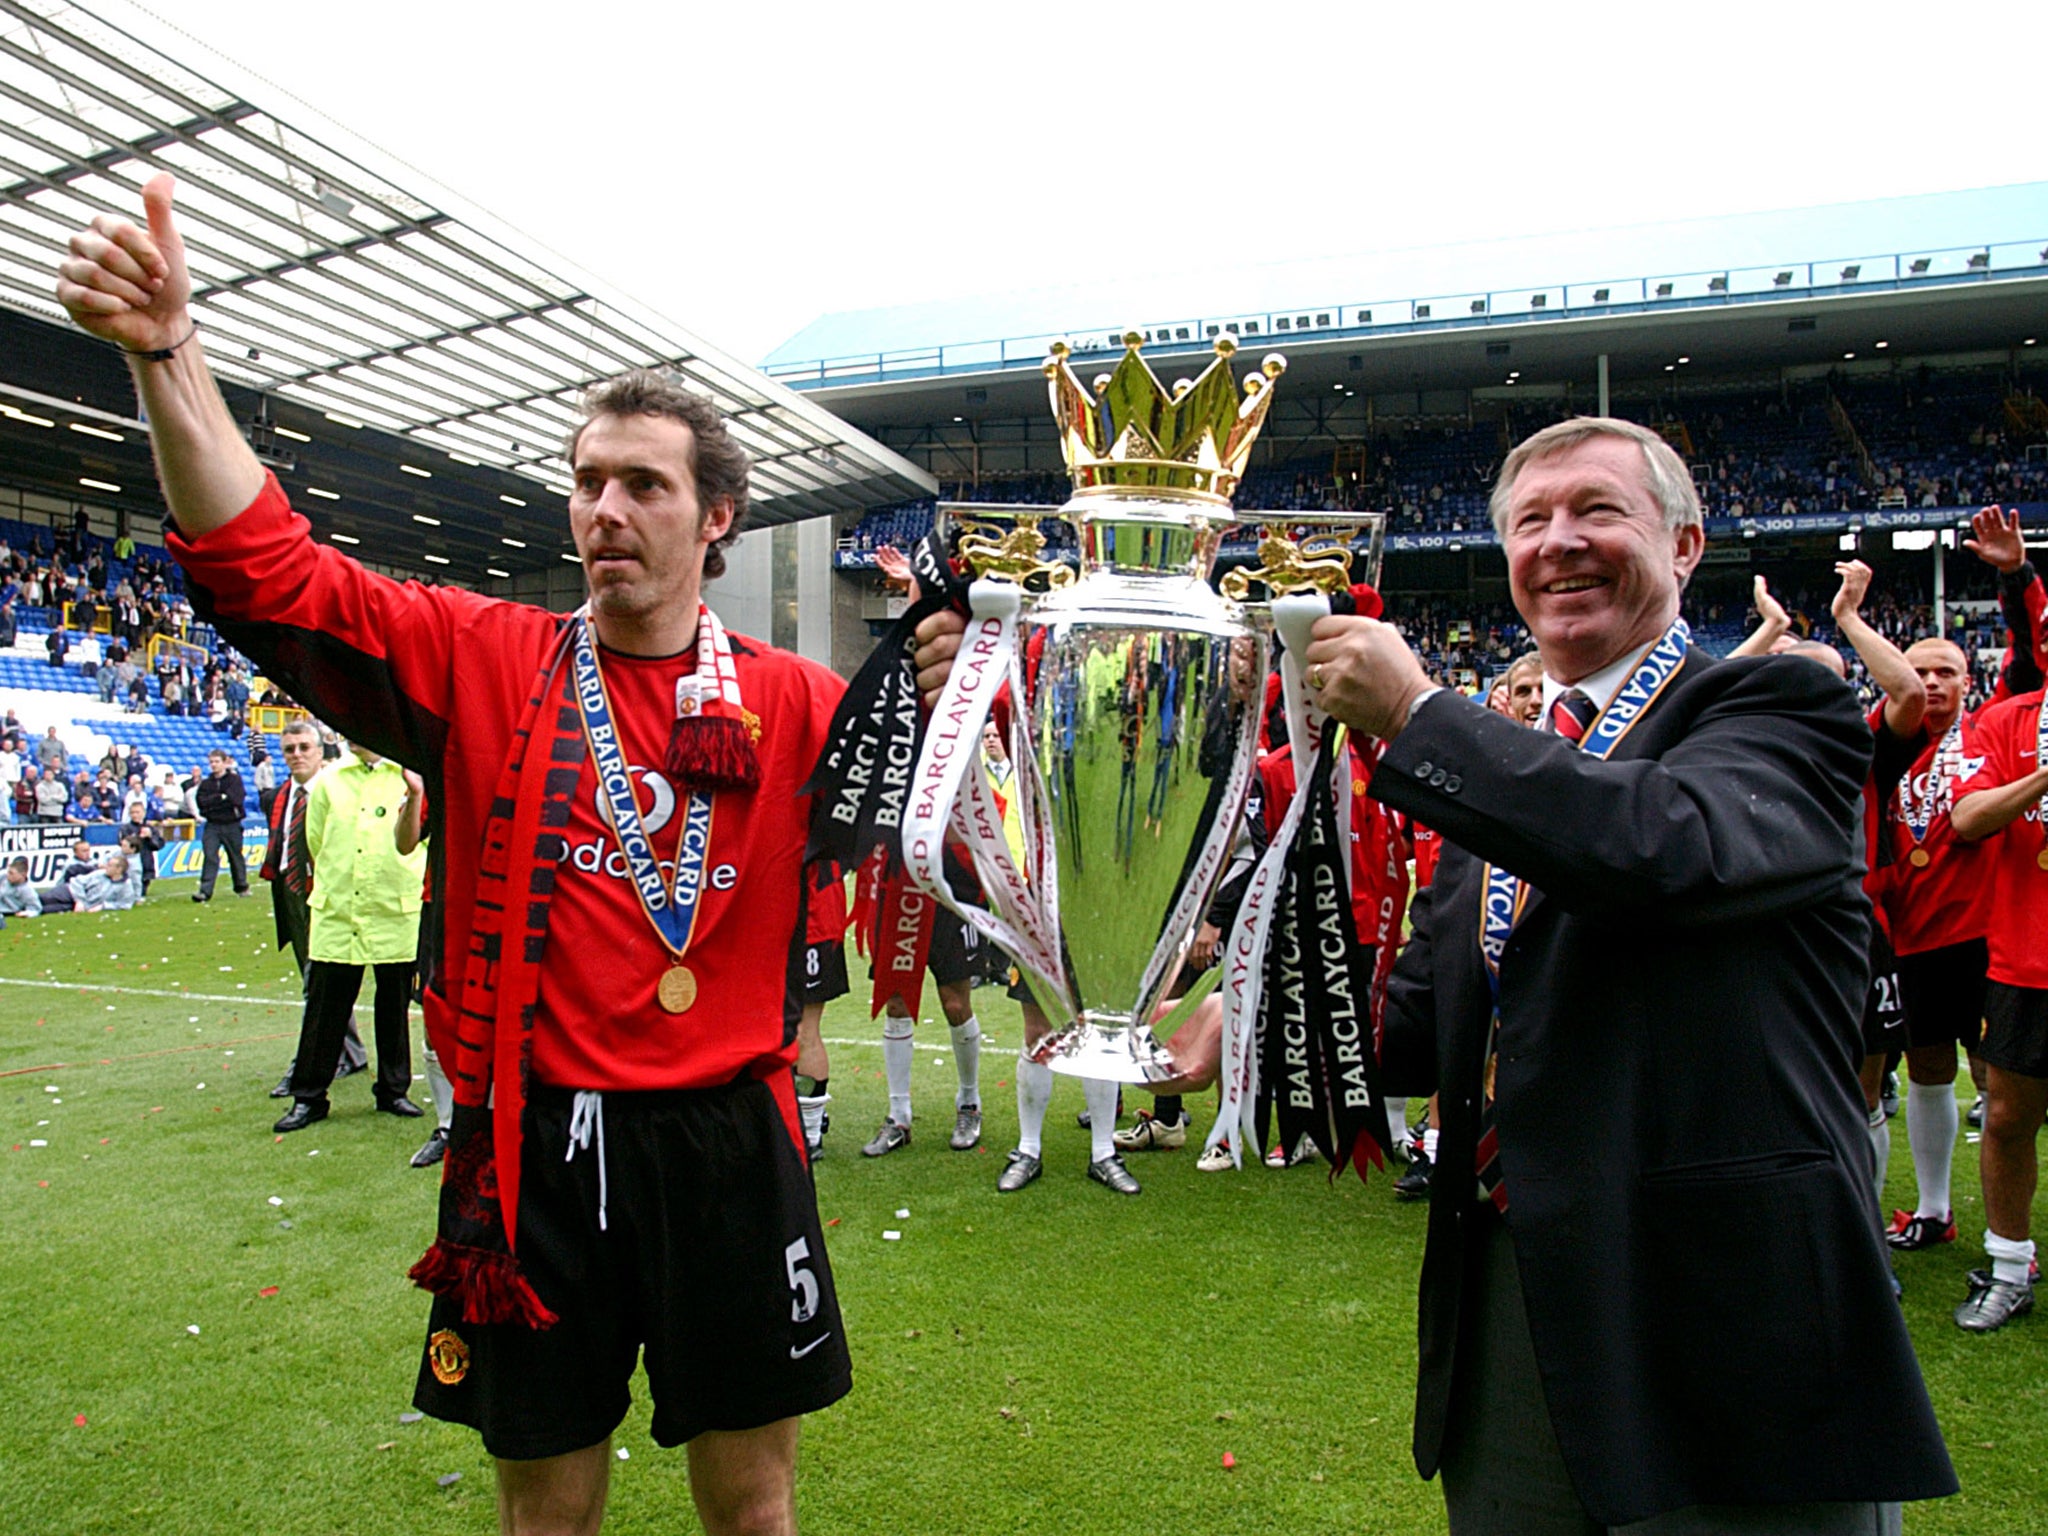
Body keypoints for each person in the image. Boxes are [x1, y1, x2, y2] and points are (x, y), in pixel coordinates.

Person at [57, 174, 856, 1534]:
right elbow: (270, 569)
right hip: (532, 1149)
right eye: (587, 482)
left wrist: (960, 674)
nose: (604, 508)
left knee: (756, 1511)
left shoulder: (799, 705)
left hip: (729, 1144)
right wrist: (166, 357)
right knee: (543, 1518)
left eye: (643, 485)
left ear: (716, 517)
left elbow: (943, 823)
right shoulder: (486, 660)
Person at [1296, 418, 1954, 1530]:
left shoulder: (1773, 712)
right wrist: (1261, 1009)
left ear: (1685, 545)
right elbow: (1413, 1033)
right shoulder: (1498, 775)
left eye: (1597, 511)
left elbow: (1659, 847)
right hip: (1515, 1297)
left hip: (1729, 1309)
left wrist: (1420, 716)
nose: (1559, 543)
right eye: (1530, 522)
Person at [1948, 677, 2048, 1330]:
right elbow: (1968, 819)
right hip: (2028, 958)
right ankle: (2009, 1271)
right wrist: (2043, 778)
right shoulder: (2008, 720)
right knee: (2010, 1117)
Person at [271, 738, 425, 1133]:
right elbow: (316, 842)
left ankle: (393, 1090)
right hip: (339, 910)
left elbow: (416, 840)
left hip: (393, 908)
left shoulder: (407, 776)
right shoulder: (328, 781)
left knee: (394, 1006)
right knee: (325, 1008)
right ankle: (309, 1096)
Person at [260, 718, 367, 1099]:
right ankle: (351, 1053)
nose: (297, 755)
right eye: (290, 749)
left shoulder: (337, 788)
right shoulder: (281, 795)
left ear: (321, 751)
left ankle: (307, 1063)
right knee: (314, 980)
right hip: (290, 895)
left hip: (326, 894)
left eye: (305, 747)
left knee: (317, 984)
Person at [192, 746, 249, 900]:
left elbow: (236, 799)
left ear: (224, 762)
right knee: (210, 856)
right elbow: (202, 803)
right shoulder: (206, 784)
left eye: (217, 761)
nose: (214, 765)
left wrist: (216, 800)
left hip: (232, 824)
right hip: (213, 825)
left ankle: (241, 886)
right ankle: (205, 891)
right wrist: (221, 798)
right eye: (211, 762)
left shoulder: (234, 780)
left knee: (235, 856)